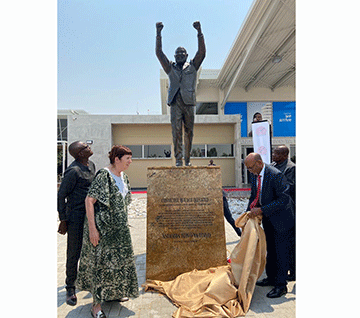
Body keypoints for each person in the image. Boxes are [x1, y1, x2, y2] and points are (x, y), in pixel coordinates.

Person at [77, 145, 139, 318]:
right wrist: (92, 230)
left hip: (119, 231)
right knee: (100, 266)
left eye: (130, 158)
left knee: (119, 263)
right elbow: (89, 201)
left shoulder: (124, 177)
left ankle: (114, 294)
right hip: (102, 231)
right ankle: (95, 306)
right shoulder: (104, 175)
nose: (130, 162)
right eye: (127, 159)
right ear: (117, 159)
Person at [244, 153, 294, 298]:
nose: (250, 171)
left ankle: (281, 285)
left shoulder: (275, 175)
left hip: (282, 220)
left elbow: (284, 199)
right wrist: (248, 212)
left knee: (281, 253)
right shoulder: (255, 175)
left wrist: (262, 210)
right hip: (269, 219)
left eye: (251, 167)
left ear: (259, 163)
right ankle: (271, 278)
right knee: (270, 250)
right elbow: (254, 196)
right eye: (247, 168)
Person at [156, 21, 206, 166]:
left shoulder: (192, 66)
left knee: (189, 132)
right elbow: (159, 53)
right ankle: (178, 160)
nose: (179, 55)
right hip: (175, 103)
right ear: (174, 56)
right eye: (177, 54)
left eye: (182, 53)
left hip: (189, 102)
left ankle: (188, 160)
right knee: (176, 132)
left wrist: (199, 32)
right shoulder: (170, 67)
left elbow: (202, 52)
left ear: (186, 55)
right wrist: (158, 33)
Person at [57, 141, 96, 306]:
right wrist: (63, 219)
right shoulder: (73, 171)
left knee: (93, 249)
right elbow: (61, 196)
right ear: (80, 153)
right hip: (76, 217)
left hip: (91, 216)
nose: (89, 147)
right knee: (74, 252)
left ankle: (89, 281)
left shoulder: (91, 165)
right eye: (85, 147)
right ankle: (70, 287)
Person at [272, 145, 296, 281]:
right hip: (274, 210)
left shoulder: (291, 168)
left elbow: (290, 187)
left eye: (276, 153)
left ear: (285, 155)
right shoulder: (273, 165)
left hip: (287, 210)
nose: (273, 155)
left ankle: (293, 271)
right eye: (274, 152)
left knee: (290, 244)